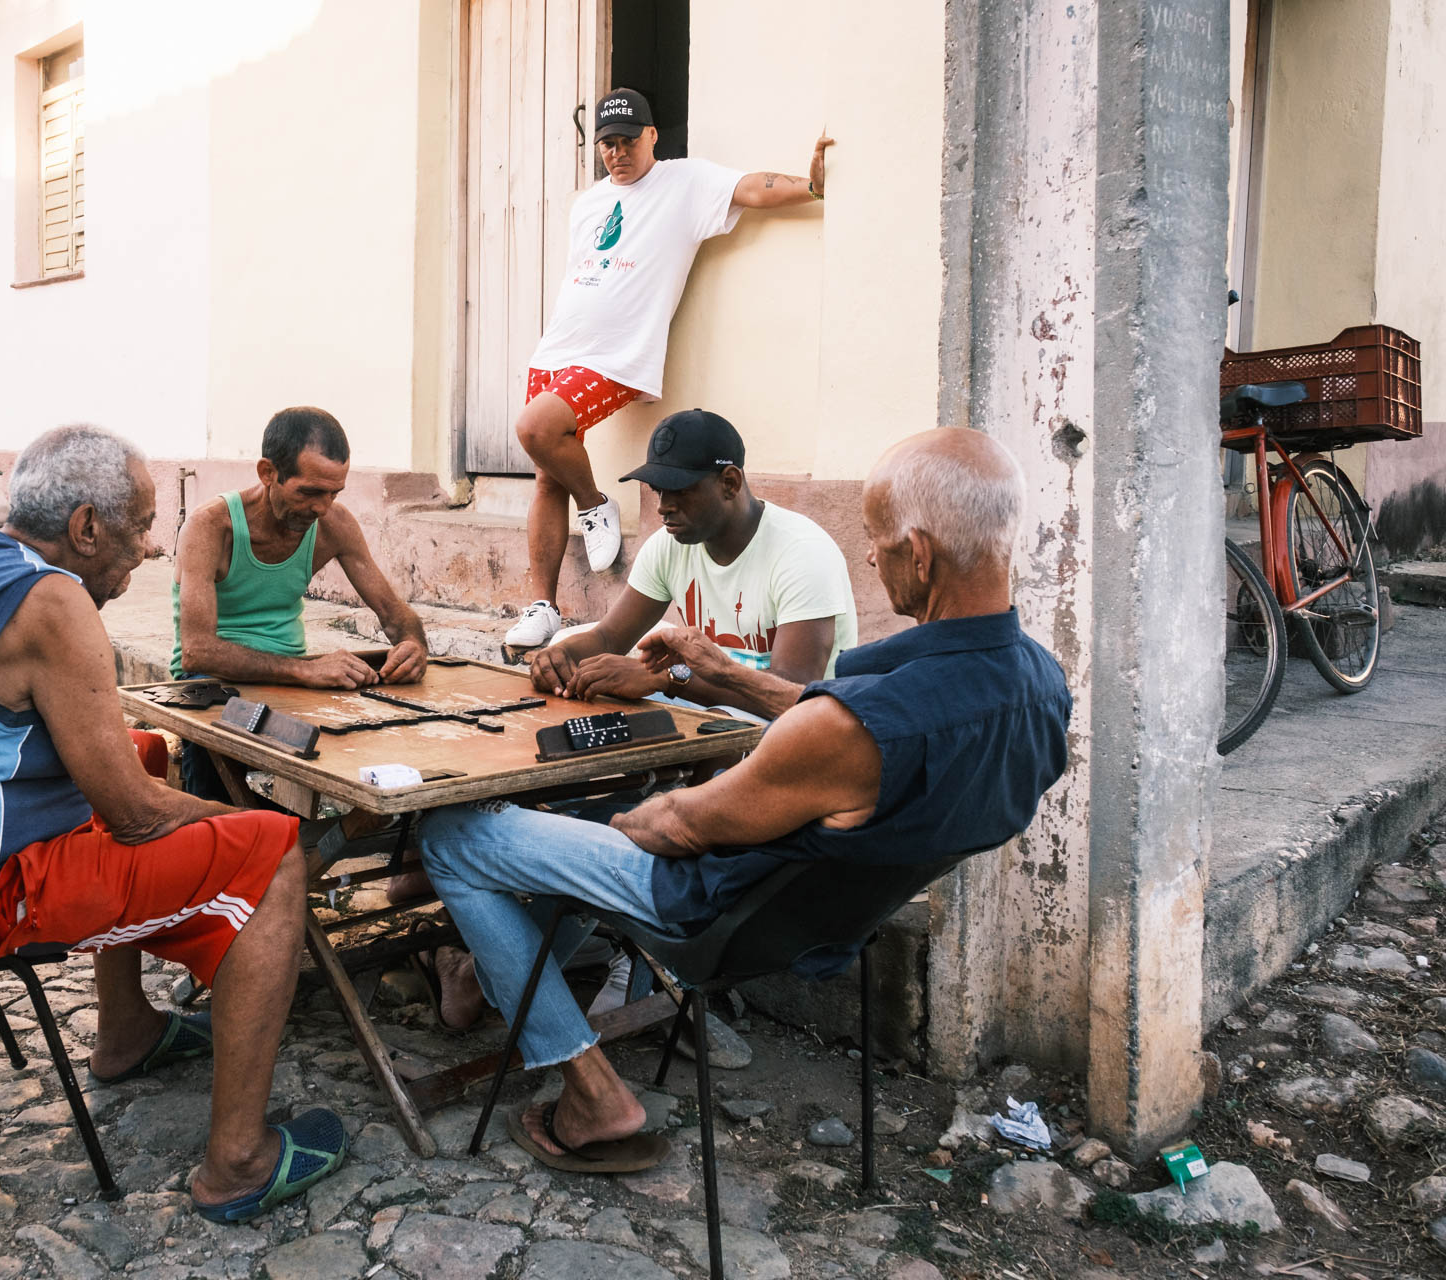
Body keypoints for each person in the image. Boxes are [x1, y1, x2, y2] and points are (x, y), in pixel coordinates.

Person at [419, 428, 1071, 1173]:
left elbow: (678, 822)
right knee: (576, 834)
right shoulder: (1040, 689)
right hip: (825, 919)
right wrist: (718, 669)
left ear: (919, 554)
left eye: (881, 541)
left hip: (708, 913)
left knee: (455, 831)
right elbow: (828, 714)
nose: (870, 554)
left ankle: (594, 1093)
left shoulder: (844, 730)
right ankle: (481, 976)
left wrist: (608, 823)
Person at [0, 425, 347, 1223]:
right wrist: (237, 828)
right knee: (273, 854)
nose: (146, 550)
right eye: (139, 528)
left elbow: (112, 775)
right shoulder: (52, 601)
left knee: (140, 751)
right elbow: (135, 820)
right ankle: (238, 1162)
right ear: (85, 528)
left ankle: (127, 1029)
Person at [505, 87, 835, 649]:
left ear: (652, 135)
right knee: (544, 473)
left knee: (535, 428)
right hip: (557, 347)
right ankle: (544, 606)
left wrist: (812, 186)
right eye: (607, 143)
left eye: (628, 139)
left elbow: (753, 187)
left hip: (616, 353)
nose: (617, 152)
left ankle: (594, 504)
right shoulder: (587, 203)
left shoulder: (684, 182)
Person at [529, 407, 857, 715]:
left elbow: (793, 692)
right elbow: (608, 639)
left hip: (799, 725)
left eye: (680, 491)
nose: (663, 506)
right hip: (711, 701)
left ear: (730, 483)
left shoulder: (801, 552)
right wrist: (560, 658)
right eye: (659, 491)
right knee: (596, 704)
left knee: (707, 731)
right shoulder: (669, 546)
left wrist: (668, 678)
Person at [172, 406, 428, 798]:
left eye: (333, 493)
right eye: (309, 492)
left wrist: (413, 645)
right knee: (221, 813)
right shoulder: (210, 527)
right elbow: (197, 652)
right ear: (267, 473)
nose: (322, 507)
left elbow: (397, 617)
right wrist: (304, 671)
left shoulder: (334, 524)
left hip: (293, 683)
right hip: (210, 686)